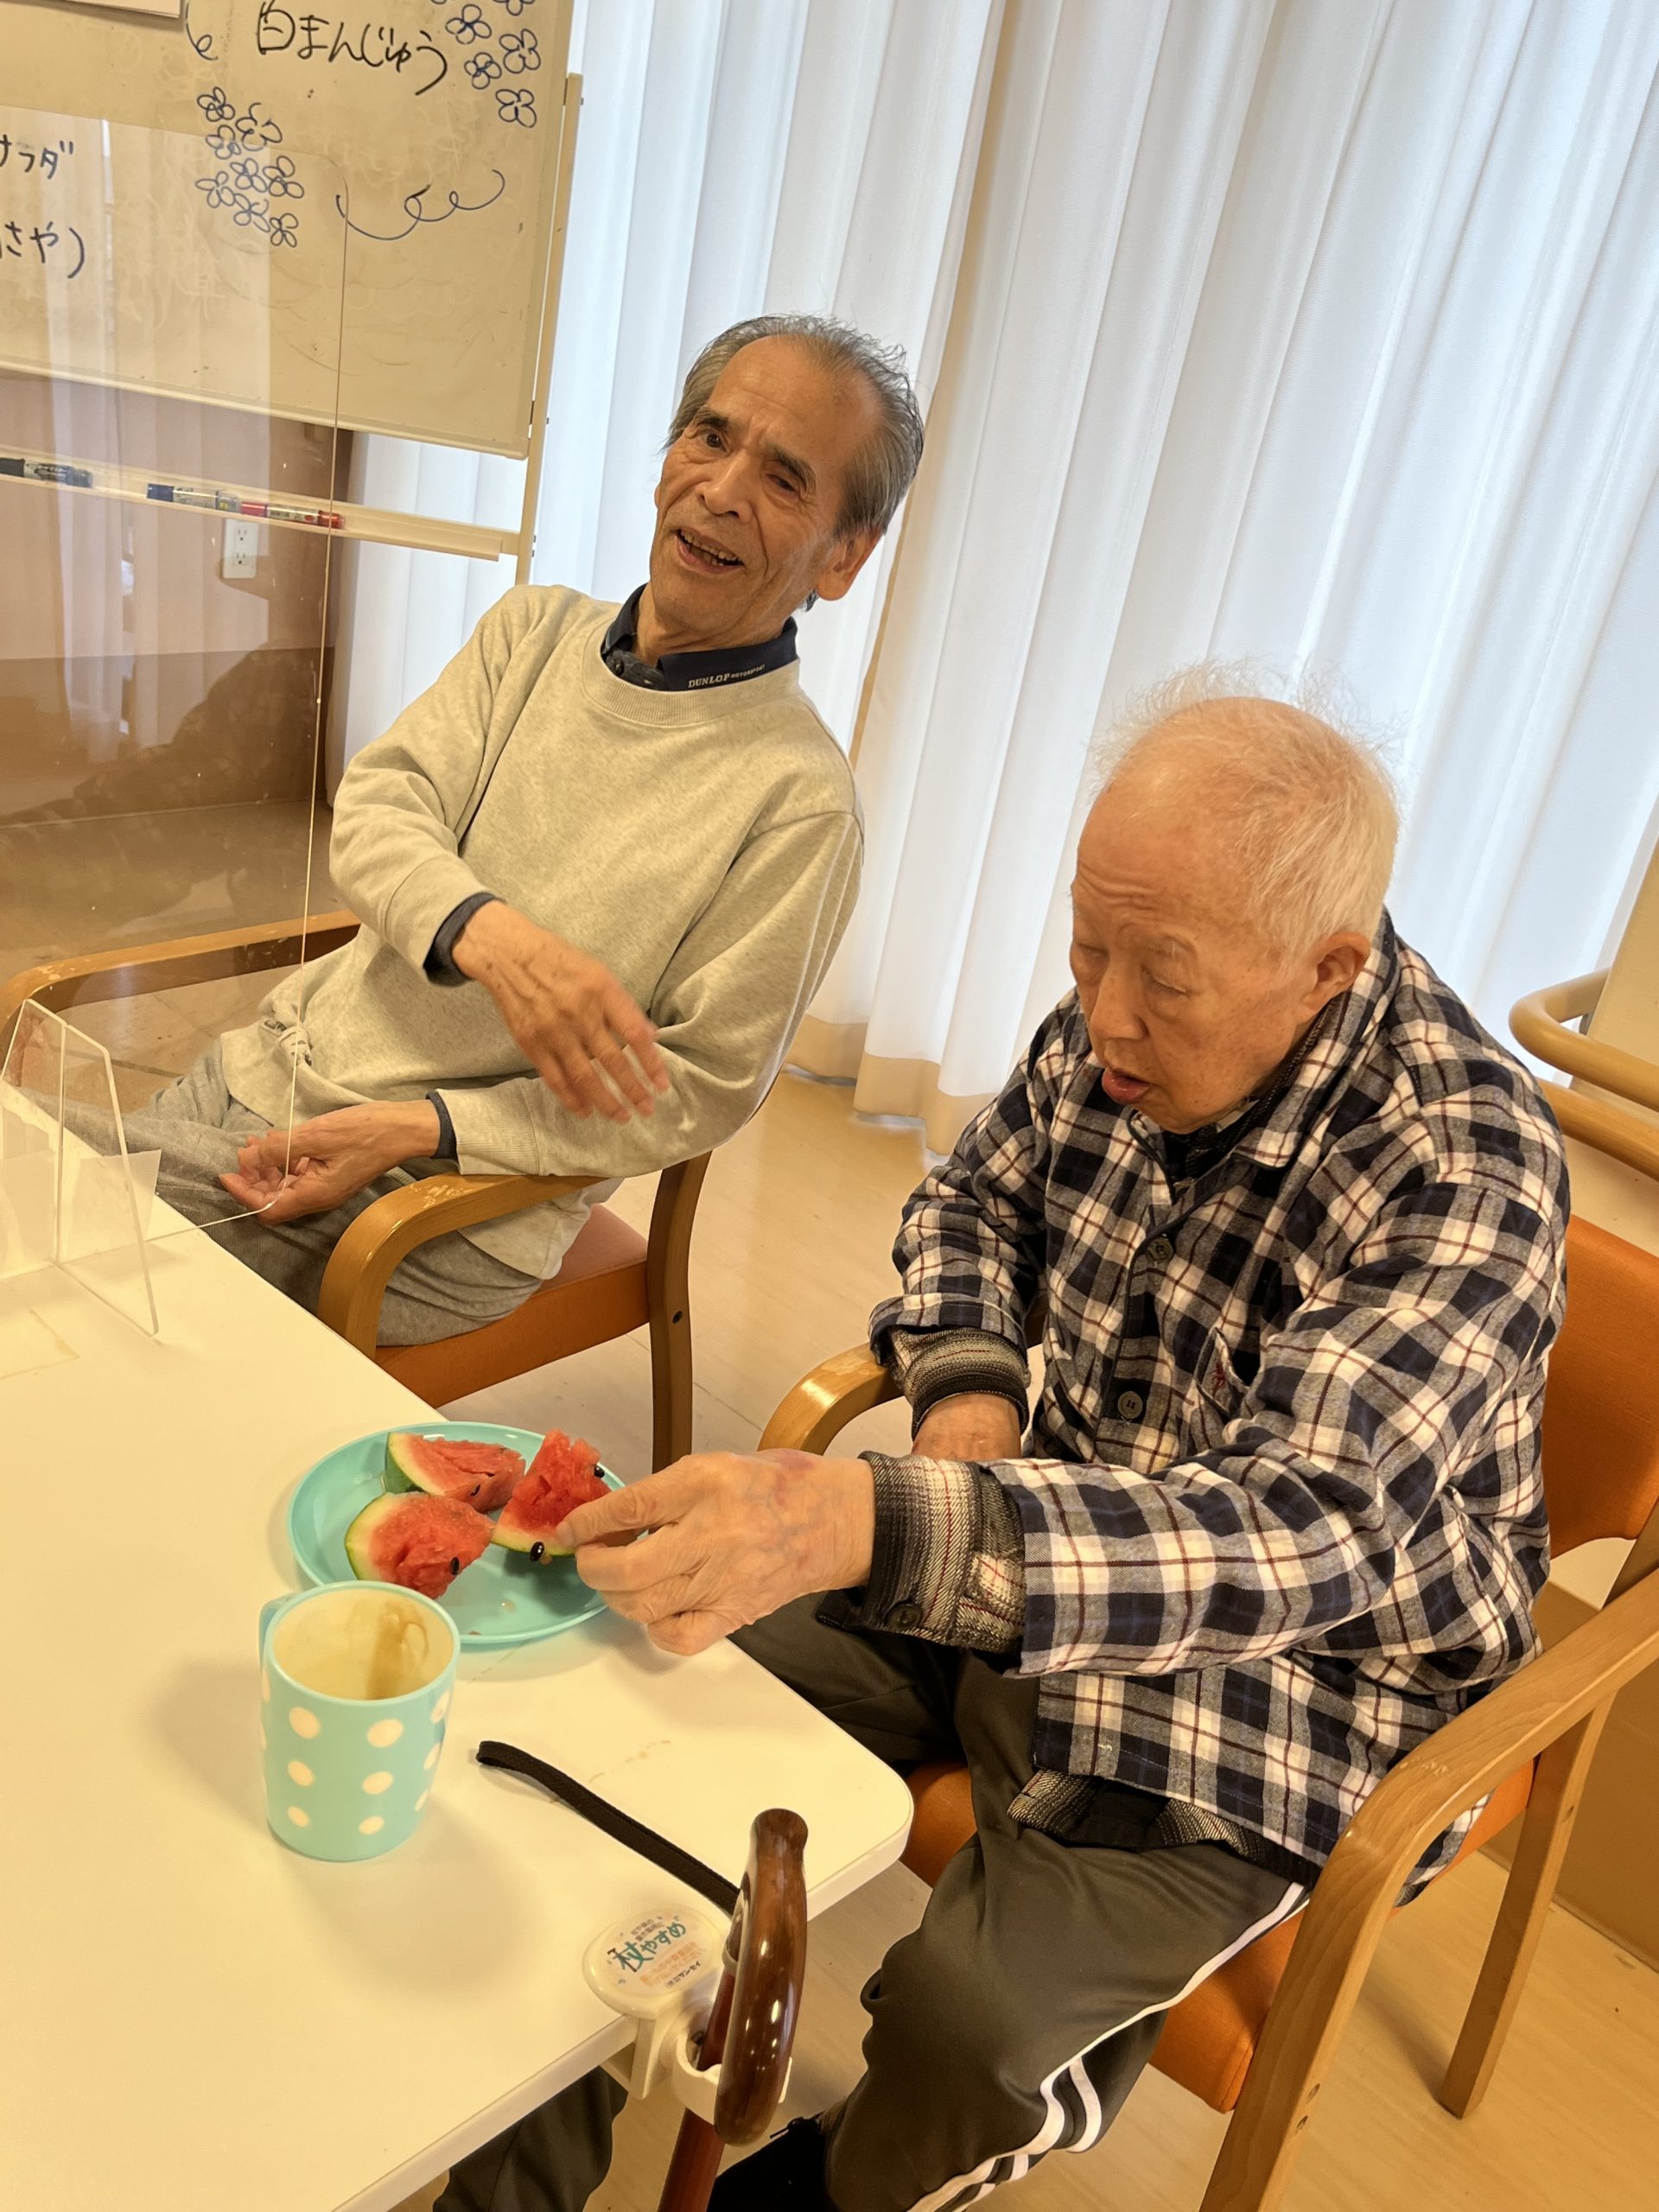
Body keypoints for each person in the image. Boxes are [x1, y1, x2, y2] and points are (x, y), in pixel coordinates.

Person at [479, 675, 1567, 2211]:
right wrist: (971, 1395)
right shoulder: (1119, 1030)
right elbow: (973, 1203)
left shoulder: (1466, 1169)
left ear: (1327, 968)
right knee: (634, 1751)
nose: (1104, 1012)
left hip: (1295, 1678)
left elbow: (1295, 1533)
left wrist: (868, 1521)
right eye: (1086, 943)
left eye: (1162, 976)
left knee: (970, 2028)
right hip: (1028, 1536)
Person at [100, 315, 923, 1342]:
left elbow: (699, 1084)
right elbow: (378, 808)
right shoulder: (531, 633)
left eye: (784, 477)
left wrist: (424, 1126)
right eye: (710, 437)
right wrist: (492, 937)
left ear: (843, 556)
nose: (721, 489)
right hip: (264, 1068)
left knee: (57, 1226)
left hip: (430, 1202)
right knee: (57, 1251)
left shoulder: (800, 801)